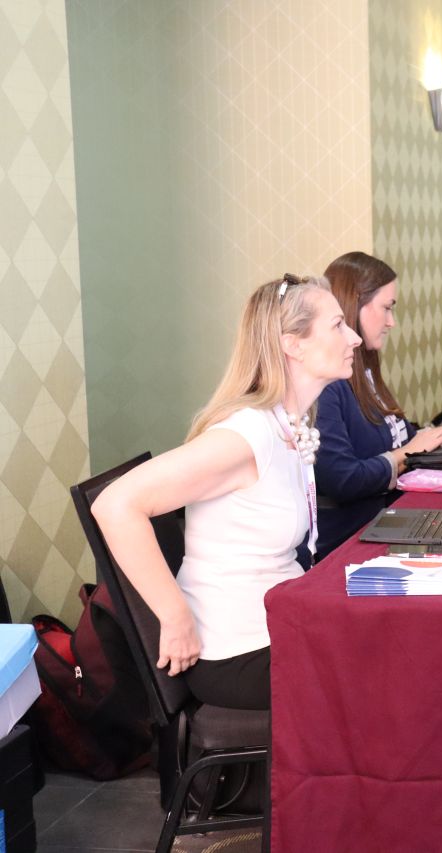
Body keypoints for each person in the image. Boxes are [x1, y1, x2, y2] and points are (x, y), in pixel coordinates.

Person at [91, 274, 362, 710]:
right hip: (238, 651)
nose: (354, 337)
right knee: (388, 669)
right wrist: (175, 615)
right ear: (293, 345)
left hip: (277, 619)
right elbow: (115, 505)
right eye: (337, 325)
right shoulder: (245, 436)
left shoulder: (288, 424)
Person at [313, 252, 442, 560]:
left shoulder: (365, 371)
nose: (391, 322)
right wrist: (405, 455)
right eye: (386, 308)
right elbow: (343, 479)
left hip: (385, 518)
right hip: (351, 536)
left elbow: (403, 439)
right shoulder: (328, 386)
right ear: (354, 305)